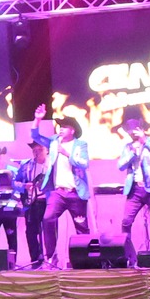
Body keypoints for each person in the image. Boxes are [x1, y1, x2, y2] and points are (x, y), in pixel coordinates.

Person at [33, 106, 92, 268]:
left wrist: (67, 153)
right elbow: (35, 136)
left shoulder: (80, 145)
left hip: (75, 192)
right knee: (47, 219)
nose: (60, 129)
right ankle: (51, 257)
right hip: (57, 193)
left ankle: (84, 260)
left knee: (81, 227)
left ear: (72, 130)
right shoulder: (53, 142)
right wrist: (37, 119)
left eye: (64, 127)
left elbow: (84, 163)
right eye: (60, 127)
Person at [117, 115, 150, 258]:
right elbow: (120, 166)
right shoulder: (128, 147)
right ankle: (127, 253)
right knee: (126, 221)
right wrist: (132, 153)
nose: (133, 133)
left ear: (142, 129)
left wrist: (145, 141)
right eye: (130, 131)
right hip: (135, 190)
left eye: (135, 130)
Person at [13, 135, 51, 268]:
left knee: (49, 230)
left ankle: (51, 258)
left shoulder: (51, 165)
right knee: (30, 231)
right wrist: (24, 186)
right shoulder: (26, 165)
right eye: (34, 150)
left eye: (40, 149)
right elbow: (15, 183)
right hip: (31, 202)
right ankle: (36, 259)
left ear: (46, 150)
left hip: (47, 202)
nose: (36, 152)